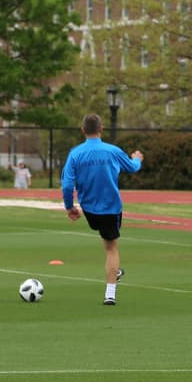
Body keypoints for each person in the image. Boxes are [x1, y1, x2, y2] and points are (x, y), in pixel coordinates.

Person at [61, 113, 144, 306]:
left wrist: (69, 207)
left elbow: (67, 185)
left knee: (107, 243)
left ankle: (114, 272)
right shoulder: (112, 151)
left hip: (89, 210)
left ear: (83, 130)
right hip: (111, 207)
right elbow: (132, 168)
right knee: (111, 248)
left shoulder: (75, 153)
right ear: (102, 129)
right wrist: (137, 158)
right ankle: (110, 293)